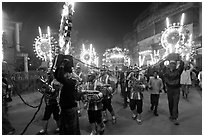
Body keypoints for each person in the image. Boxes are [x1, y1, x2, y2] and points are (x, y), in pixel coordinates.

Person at [54, 57, 82, 135]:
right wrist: (59, 66)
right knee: (65, 131)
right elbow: (58, 76)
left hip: (70, 110)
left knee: (71, 132)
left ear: (70, 74)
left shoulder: (72, 82)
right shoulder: (68, 82)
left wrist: (62, 66)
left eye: (66, 73)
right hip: (65, 109)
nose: (64, 75)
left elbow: (60, 78)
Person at [160, 53, 184, 125]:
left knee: (175, 104)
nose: (172, 65)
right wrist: (166, 59)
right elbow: (161, 64)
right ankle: (171, 115)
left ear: (175, 65)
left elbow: (182, 64)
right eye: (171, 64)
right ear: (169, 65)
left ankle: (175, 118)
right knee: (171, 103)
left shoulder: (178, 71)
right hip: (169, 89)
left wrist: (178, 59)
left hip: (176, 89)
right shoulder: (165, 70)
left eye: (174, 64)